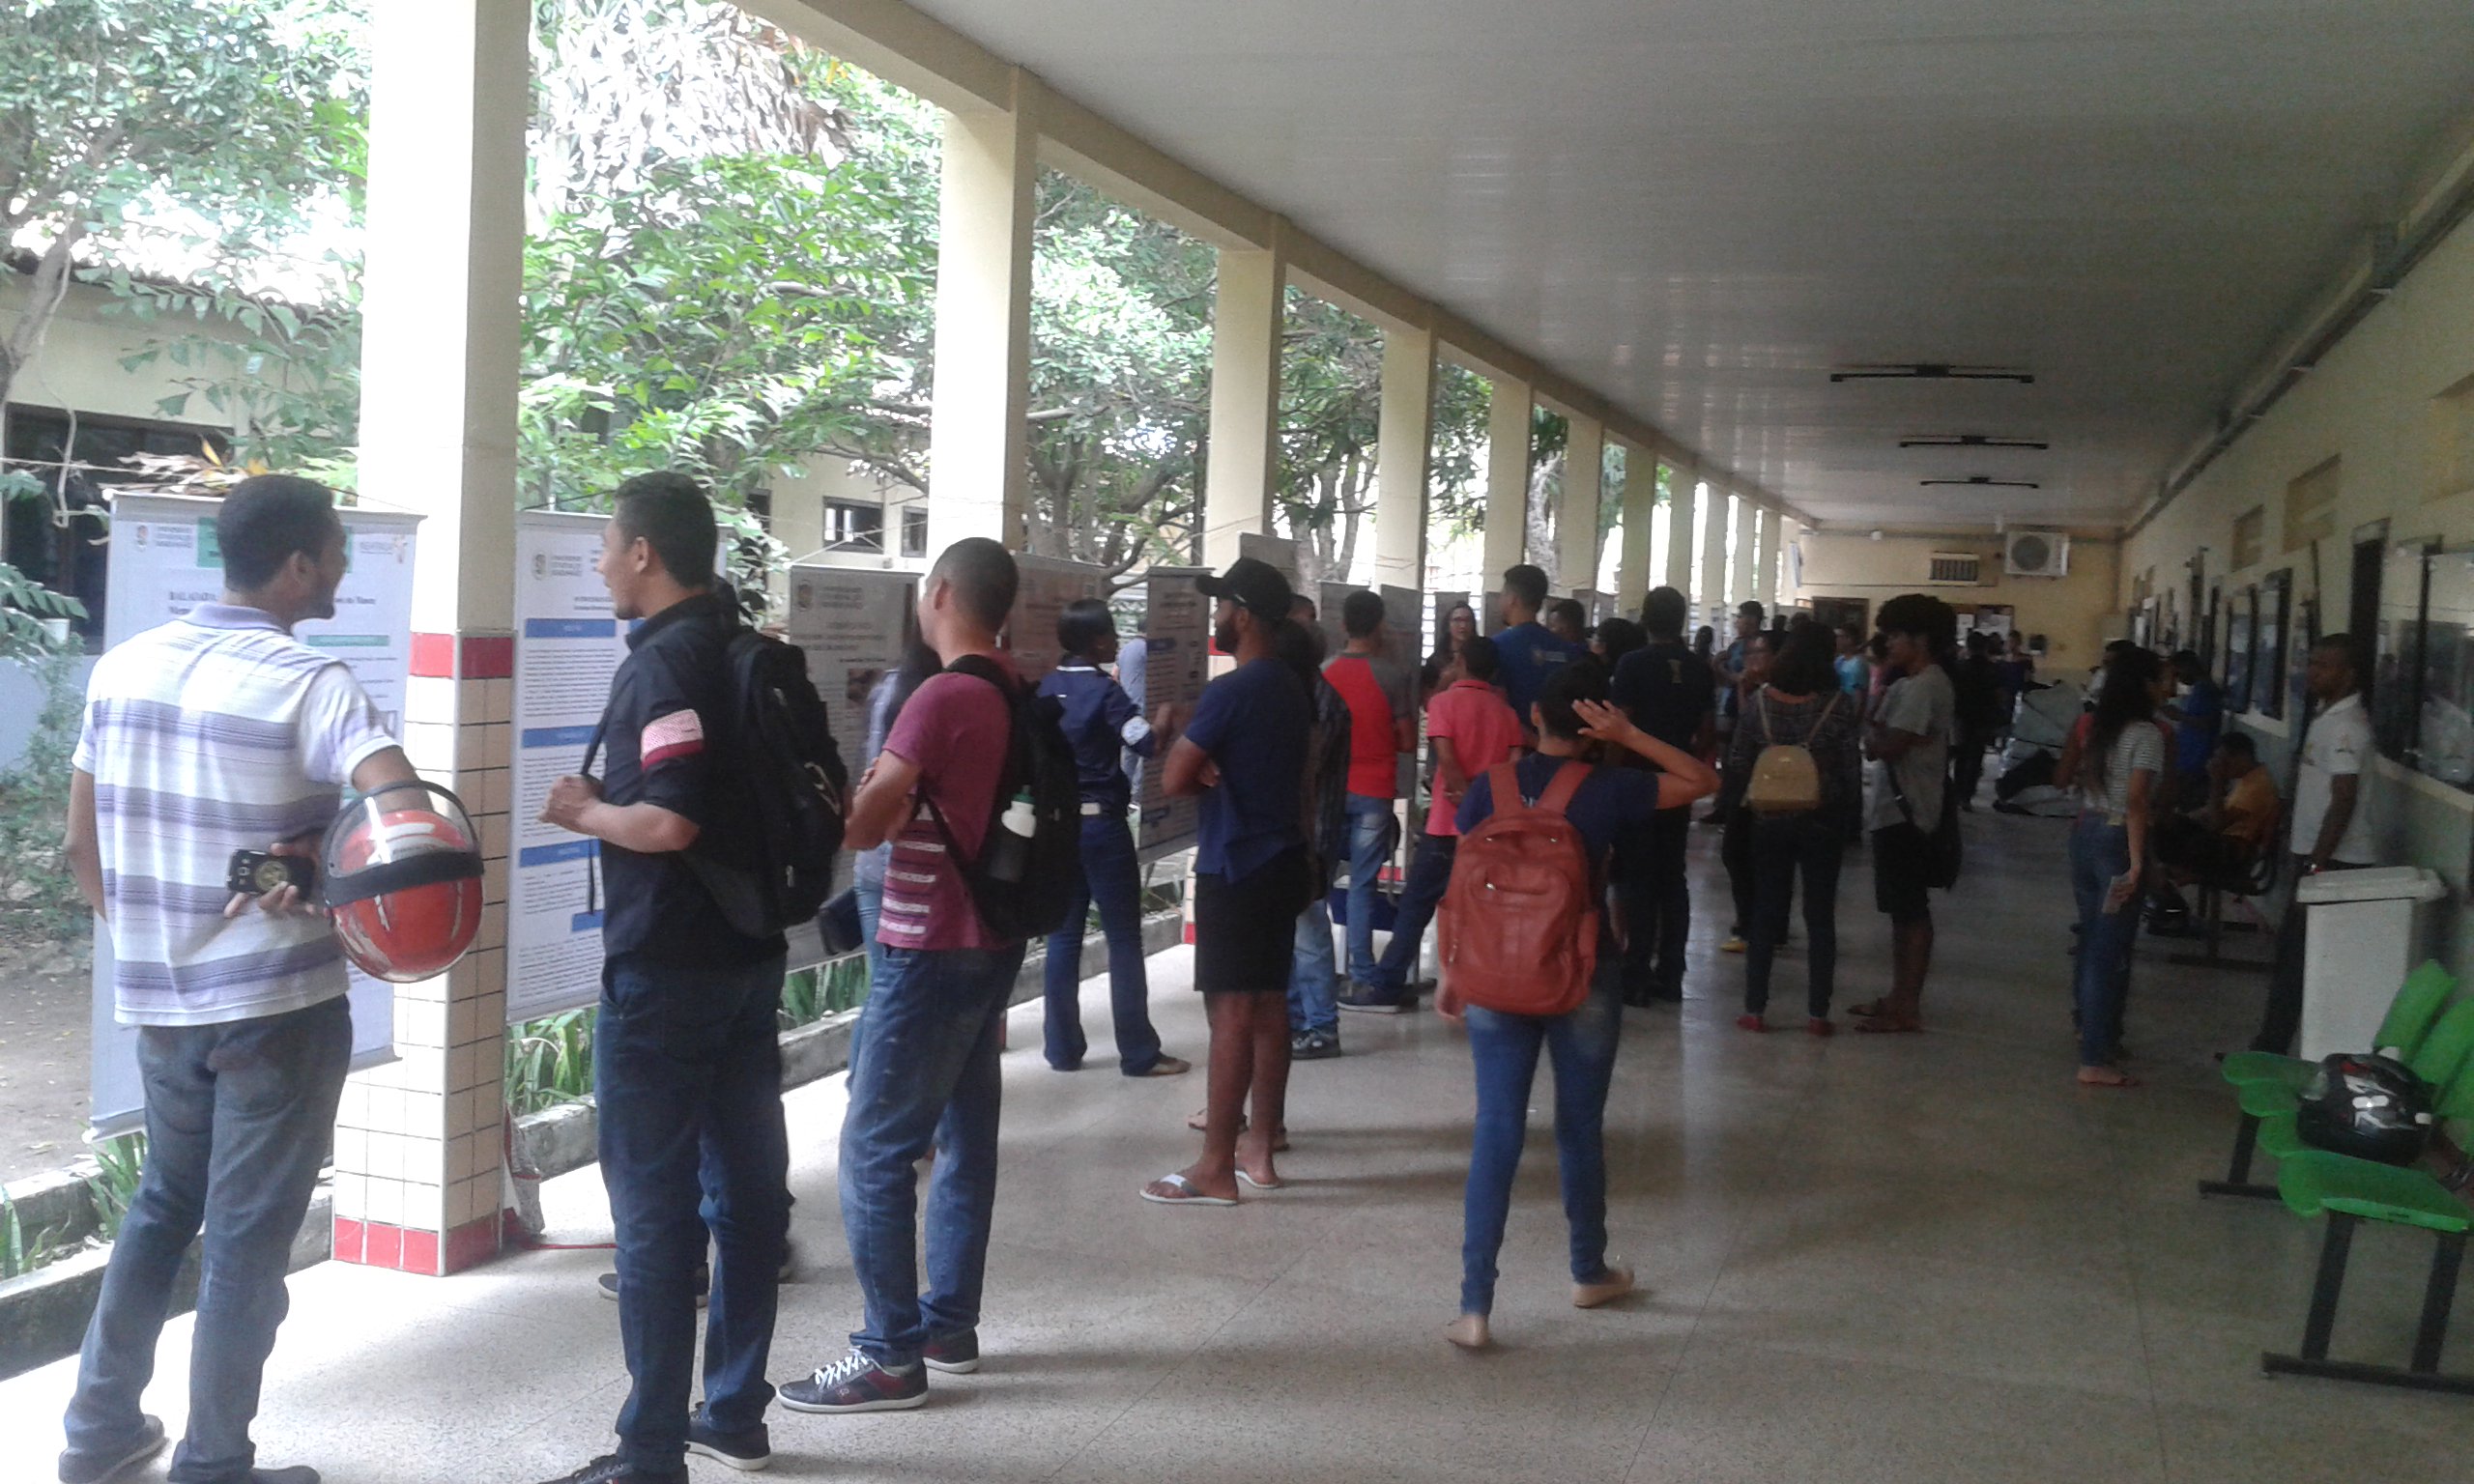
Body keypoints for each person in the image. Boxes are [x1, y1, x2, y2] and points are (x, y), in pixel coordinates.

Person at [57, 475, 417, 1484]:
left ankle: (97, 1433)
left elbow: (81, 843)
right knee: (248, 1243)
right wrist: (326, 847)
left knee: (165, 1207)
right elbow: (407, 822)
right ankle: (214, 1464)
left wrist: (161, 941)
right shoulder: (312, 681)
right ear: (299, 564)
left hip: (162, 1004)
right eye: (338, 551)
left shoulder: (122, 668)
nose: (343, 568)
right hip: (280, 1011)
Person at [529, 474, 795, 1484]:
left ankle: (647, 1454)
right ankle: (733, 1412)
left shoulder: (664, 666)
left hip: (669, 968)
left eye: (607, 546)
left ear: (645, 553)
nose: (599, 562)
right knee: (748, 1193)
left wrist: (582, 813)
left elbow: (670, 821)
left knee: (651, 1210)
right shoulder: (743, 649)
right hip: (747, 955)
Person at [784, 538, 1028, 1413]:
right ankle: (948, 1323)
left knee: (873, 1150)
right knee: (967, 1133)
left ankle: (890, 1353)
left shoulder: (940, 696)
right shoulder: (1013, 687)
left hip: (925, 945)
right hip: (989, 942)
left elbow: (864, 827)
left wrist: (855, 795)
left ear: (941, 593)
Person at [1440, 664, 1718, 1350]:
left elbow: (1459, 882)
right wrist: (1632, 736)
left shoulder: (1486, 788)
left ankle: (1475, 1307)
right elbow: (1703, 781)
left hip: (1492, 977)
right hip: (1583, 976)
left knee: (1497, 1128)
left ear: (1535, 715)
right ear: (1597, 726)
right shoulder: (1610, 789)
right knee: (1578, 1126)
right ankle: (1588, 1271)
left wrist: (1453, 967)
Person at [1143, 556, 1312, 1204]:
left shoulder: (1233, 691)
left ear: (1242, 615)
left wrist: (1194, 746)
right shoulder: (1289, 686)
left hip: (1233, 864)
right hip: (1279, 861)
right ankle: (1259, 1149)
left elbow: (1173, 780)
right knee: (1270, 1009)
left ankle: (1214, 1164)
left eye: (1221, 607)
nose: (1216, 617)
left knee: (1234, 1012)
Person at [1038, 599, 1189, 1078]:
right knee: (1124, 939)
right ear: (1099, 641)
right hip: (1102, 826)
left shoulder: (1044, 687)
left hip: (1058, 827)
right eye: (1110, 635)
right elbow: (1146, 742)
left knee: (1063, 939)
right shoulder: (1106, 693)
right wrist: (1166, 715)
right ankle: (1138, 1052)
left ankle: (1061, 1049)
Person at [1360, 637, 1525, 1009]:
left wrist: (1464, 794)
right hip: (1490, 828)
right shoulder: (1506, 713)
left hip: (1445, 825)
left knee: (1416, 906)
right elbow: (1514, 765)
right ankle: (1487, 989)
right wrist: (1484, 799)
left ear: (1462, 663)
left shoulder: (1443, 703)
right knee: (1486, 910)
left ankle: (1386, 985)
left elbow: (1446, 755)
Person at [1730, 626, 1862, 1034]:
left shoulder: (1760, 703)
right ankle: (1817, 1014)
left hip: (1769, 819)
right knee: (1820, 915)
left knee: (1767, 911)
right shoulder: (1838, 705)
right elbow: (1849, 769)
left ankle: (1755, 1009)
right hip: (1822, 819)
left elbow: (1738, 760)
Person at [2251, 635, 2378, 1054]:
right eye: (2314, 663)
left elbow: (2343, 798)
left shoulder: (2346, 725)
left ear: (2349, 674)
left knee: (2299, 963)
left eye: (2325, 666)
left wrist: (2318, 867)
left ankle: (2272, 1050)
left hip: (2334, 862)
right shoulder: (2326, 717)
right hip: (2315, 856)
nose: (2314, 672)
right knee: (2293, 959)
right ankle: (2270, 1044)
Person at [2053, 647, 2164, 1086]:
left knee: (2091, 937)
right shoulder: (2146, 734)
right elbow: (2136, 801)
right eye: (2160, 679)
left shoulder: (2098, 728)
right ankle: (2095, 1057)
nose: (2166, 688)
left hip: (2086, 833)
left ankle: (2088, 1025)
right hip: (2118, 840)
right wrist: (2139, 863)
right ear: (2144, 685)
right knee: (2107, 950)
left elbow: (2077, 779)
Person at [1850, 593, 1957, 1035]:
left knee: (1911, 911)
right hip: (1895, 810)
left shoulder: (1925, 685)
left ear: (1922, 638)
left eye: (1896, 635)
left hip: (1909, 812)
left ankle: (1907, 1006)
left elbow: (1887, 746)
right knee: (1900, 910)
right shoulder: (1908, 683)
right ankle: (1898, 995)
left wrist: (1873, 735)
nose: (1888, 643)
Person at [1607, 585, 1716, 1006]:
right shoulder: (1698, 668)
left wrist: (1611, 775)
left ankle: (1634, 975)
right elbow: (1706, 729)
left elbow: (1621, 726)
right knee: (1673, 878)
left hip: (1636, 781)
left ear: (1646, 621)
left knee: (1636, 877)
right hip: (1680, 782)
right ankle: (1671, 974)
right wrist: (1688, 759)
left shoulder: (1632, 664)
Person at [1325, 591, 1416, 1009]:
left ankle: (1321, 974)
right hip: (1374, 789)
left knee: (1317, 885)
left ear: (1343, 625)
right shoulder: (1393, 676)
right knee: (1362, 883)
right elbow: (1406, 741)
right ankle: (1362, 976)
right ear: (1380, 626)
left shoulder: (1324, 672)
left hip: (1329, 790)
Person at [1284, 598, 1352, 1060]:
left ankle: (1321, 1026)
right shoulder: (1303, 696)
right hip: (1301, 832)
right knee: (1296, 932)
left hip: (1312, 835)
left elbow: (1307, 772)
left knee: (1309, 933)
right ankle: (1298, 1019)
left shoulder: (1321, 701)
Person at [2150, 732, 2279, 921]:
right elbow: (2208, 813)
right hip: (2222, 845)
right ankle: (2164, 875)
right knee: (2162, 825)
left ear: (2242, 757)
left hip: (2232, 854)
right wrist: (2180, 818)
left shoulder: (2258, 786)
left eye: (2225, 760)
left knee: (2162, 834)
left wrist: (2217, 783)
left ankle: (2170, 885)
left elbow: (2217, 824)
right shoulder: (2248, 780)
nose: (2222, 766)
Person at [1716, 632, 1775, 953]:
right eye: (1749, 654)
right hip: (1744, 782)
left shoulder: (1774, 694)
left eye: (1760, 654)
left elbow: (1749, 726)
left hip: (1763, 784)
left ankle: (1753, 924)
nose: (1753, 661)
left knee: (1745, 853)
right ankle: (1757, 921)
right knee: (1739, 853)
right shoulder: (1753, 690)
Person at [1491, 564, 1585, 728]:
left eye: (1502, 594)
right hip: (1557, 746)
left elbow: (1495, 708)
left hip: (1512, 747)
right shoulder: (1569, 651)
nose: (1500, 600)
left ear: (1512, 598)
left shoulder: (1495, 647)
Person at [2162, 649, 2222, 810]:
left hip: (2196, 760)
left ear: (2187, 667)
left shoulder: (2205, 689)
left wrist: (2180, 716)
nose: (2178, 678)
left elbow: (2206, 723)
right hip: (2187, 758)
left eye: (2178, 673)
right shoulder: (2197, 689)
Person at [1950, 631, 2003, 812]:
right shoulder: (1993, 669)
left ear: (1968, 646)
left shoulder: (1959, 667)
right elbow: (1999, 695)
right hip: (1983, 718)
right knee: (1975, 757)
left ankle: (1957, 793)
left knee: (1961, 756)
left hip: (1962, 717)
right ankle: (1966, 796)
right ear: (1985, 647)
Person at [1424, 601, 1479, 693]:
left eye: (1468, 620)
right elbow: (1427, 700)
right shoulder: (1435, 661)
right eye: (1457, 620)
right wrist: (1445, 681)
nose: (1463, 626)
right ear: (1448, 625)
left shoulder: (1482, 658)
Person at [1833, 624, 1869, 699]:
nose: (1835, 640)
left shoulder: (1859, 663)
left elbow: (1860, 694)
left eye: (1838, 637)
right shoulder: (1839, 660)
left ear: (1849, 639)